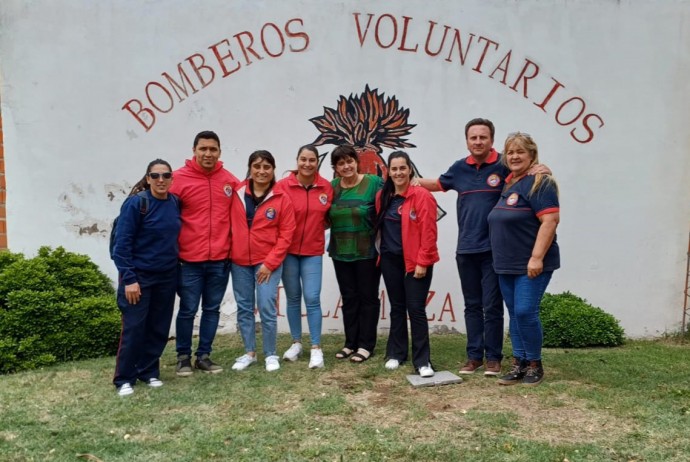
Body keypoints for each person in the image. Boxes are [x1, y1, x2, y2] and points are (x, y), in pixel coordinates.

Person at [416, 118, 507, 376]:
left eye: (483, 137)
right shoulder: (460, 168)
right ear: (467, 141)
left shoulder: (503, 165)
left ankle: (493, 358)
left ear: (491, 139)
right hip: (466, 248)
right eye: (473, 138)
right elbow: (438, 184)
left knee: (492, 305)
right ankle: (473, 356)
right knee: (472, 305)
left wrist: (540, 169)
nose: (478, 142)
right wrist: (407, 180)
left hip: (493, 250)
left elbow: (526, 173)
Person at [488, 132, 559, 386]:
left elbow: (550, 221)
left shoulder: (541, 181)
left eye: (521, 152)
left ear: (532, 155)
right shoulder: (508, 183)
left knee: (526, 311)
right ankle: (518, 363)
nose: (515, 156)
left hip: (530, 263)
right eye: (510, 152)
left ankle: (534, 364)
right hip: (506, 263)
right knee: (515, 314)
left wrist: (537, 258)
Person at [169, 131, 239, 376]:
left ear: (219, 152)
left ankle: (204, 356)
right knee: (188, 309)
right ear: (194, 150)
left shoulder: (230, 181)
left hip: (220, 260)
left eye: (213, 149)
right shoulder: (177, 179)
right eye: (203, 149)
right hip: (189, 260)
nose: (208, 153)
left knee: (212, 309)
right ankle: (183, 357)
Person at [112, 159, 181, 396]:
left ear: (172, 178)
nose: (160, 180)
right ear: (148, 178)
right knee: (134, 328)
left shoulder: (174, 203)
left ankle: (149, 371)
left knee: (158, 327)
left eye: (165, 175)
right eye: (155, 176)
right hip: (138, 278)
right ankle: (124, 378)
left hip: (166, 276)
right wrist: (129, 279)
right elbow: (121, 246)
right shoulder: (136, 204)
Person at [230, 150, 296, 372]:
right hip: (239, 261)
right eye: (257, 166)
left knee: (266, 305)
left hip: (267, 262)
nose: (261, 171)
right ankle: (249, 352)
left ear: (273, 170)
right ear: (250, 168)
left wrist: (270, 263)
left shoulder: (281, 198)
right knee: (244, 307)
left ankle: (270, 354)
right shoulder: (236, 192)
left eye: (266, 167)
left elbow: (287, 234)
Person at [375, 151, 439, 378]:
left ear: (410, 169)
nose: (399, 173)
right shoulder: (384, 196)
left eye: (403, 168)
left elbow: (429, 233)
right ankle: (396, 353)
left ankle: (422, 361)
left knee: (416, 310)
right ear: (388, 172)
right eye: (394, 169)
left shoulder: (422, 196)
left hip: (416, 262)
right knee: (397, 308)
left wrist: (422, 262)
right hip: (390, 261)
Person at [275, 145, 334, 369]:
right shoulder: (283, 186)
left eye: (312, 160)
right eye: (303, 159)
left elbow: (329, 217)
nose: (307, 164)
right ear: (297, 160)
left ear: (317, 162)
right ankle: (296, 343)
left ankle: (316, 348)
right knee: (292, 298)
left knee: (312, 298)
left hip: (312, 252)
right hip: (288, 252)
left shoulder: (326, 187)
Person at [328, 145, 384, 363]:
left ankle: (366, 345)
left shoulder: (374, 183)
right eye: (341, 163)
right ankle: (350, 343)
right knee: (349, 298)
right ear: (336, 168)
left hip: (367, 251)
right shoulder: (331, 188)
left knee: (368, 298)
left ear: (356, 161)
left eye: (349, 161)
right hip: (340, 252)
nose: (346, 166)